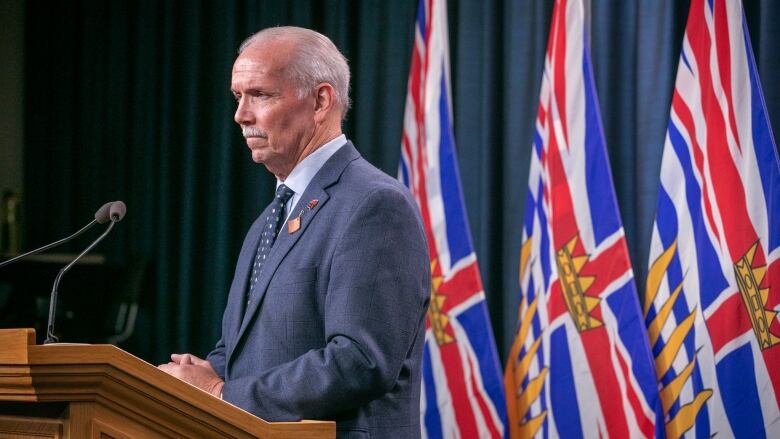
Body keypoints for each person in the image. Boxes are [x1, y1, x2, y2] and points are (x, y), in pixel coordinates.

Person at [158, 26, 430, 438]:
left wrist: (220, 392)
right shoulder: (273, 216)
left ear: (321, 101)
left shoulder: (374, 206)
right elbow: (244, 349)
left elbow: (361, 361)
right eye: (238, 97)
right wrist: (205, 371)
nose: (241, 114)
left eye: (261, 95)